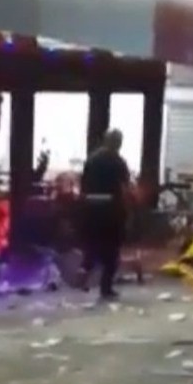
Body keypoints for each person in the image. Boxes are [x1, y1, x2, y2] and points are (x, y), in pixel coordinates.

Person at [79, 129, 131, 301]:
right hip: (110, 210)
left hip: (91, 208)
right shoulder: (118, 162)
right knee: (111, 250)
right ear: (118, 143)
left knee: (91, 245)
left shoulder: (92, 159)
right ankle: (105, 288)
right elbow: (125, 186)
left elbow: (83, 183)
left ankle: (84, 273)